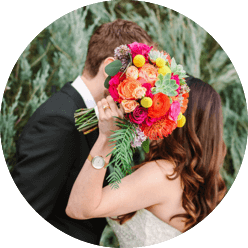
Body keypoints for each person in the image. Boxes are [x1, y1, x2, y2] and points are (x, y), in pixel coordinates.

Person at [10, 19, 155, 244]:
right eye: (140, 77)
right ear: (111, 68)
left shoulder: (101, 117)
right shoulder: (58, 120)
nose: (142, 89)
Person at [65, 76, 227, 246]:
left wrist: (106, 140)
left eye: (162, 105)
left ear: (178, 120)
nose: (153, 112)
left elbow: (79, 208)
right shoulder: (192, 178)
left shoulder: (163, 174)